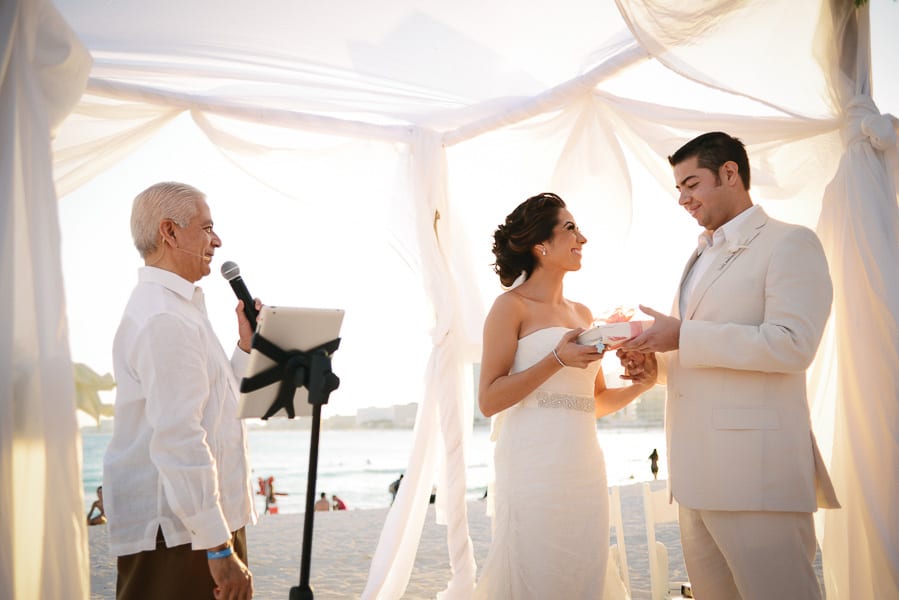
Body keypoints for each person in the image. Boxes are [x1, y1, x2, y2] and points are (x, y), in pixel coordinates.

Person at [619, 132, 840, 600]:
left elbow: (793, 345)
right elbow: (702, 356)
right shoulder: (698, 254)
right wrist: (656, 369)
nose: (683, 198)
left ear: (730, 174)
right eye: (678, 188)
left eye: (691, 183)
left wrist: (683, 335)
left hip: (755, 478)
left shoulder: (790, 243)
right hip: (694, 479)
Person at [473, 192, 657, 599]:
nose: (583, 239)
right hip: (532, 467)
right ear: (541, 245)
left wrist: (641, 384)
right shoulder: (510, 308)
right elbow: (488, 400)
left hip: (584, 467)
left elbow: (595, 402)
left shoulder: (583, 315)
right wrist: (556, 358)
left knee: (584, 570)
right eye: (570, 228)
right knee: (537, 571)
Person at [103, 182, 257, 600]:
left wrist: (245, 348)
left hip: (202, 528)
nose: (217, 240)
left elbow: (221, 408)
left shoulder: (181, 310)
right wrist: (219, 547)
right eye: (207, 228)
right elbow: (180, 437)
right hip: (179, 535)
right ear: (169, 232)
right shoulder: (162, 317)